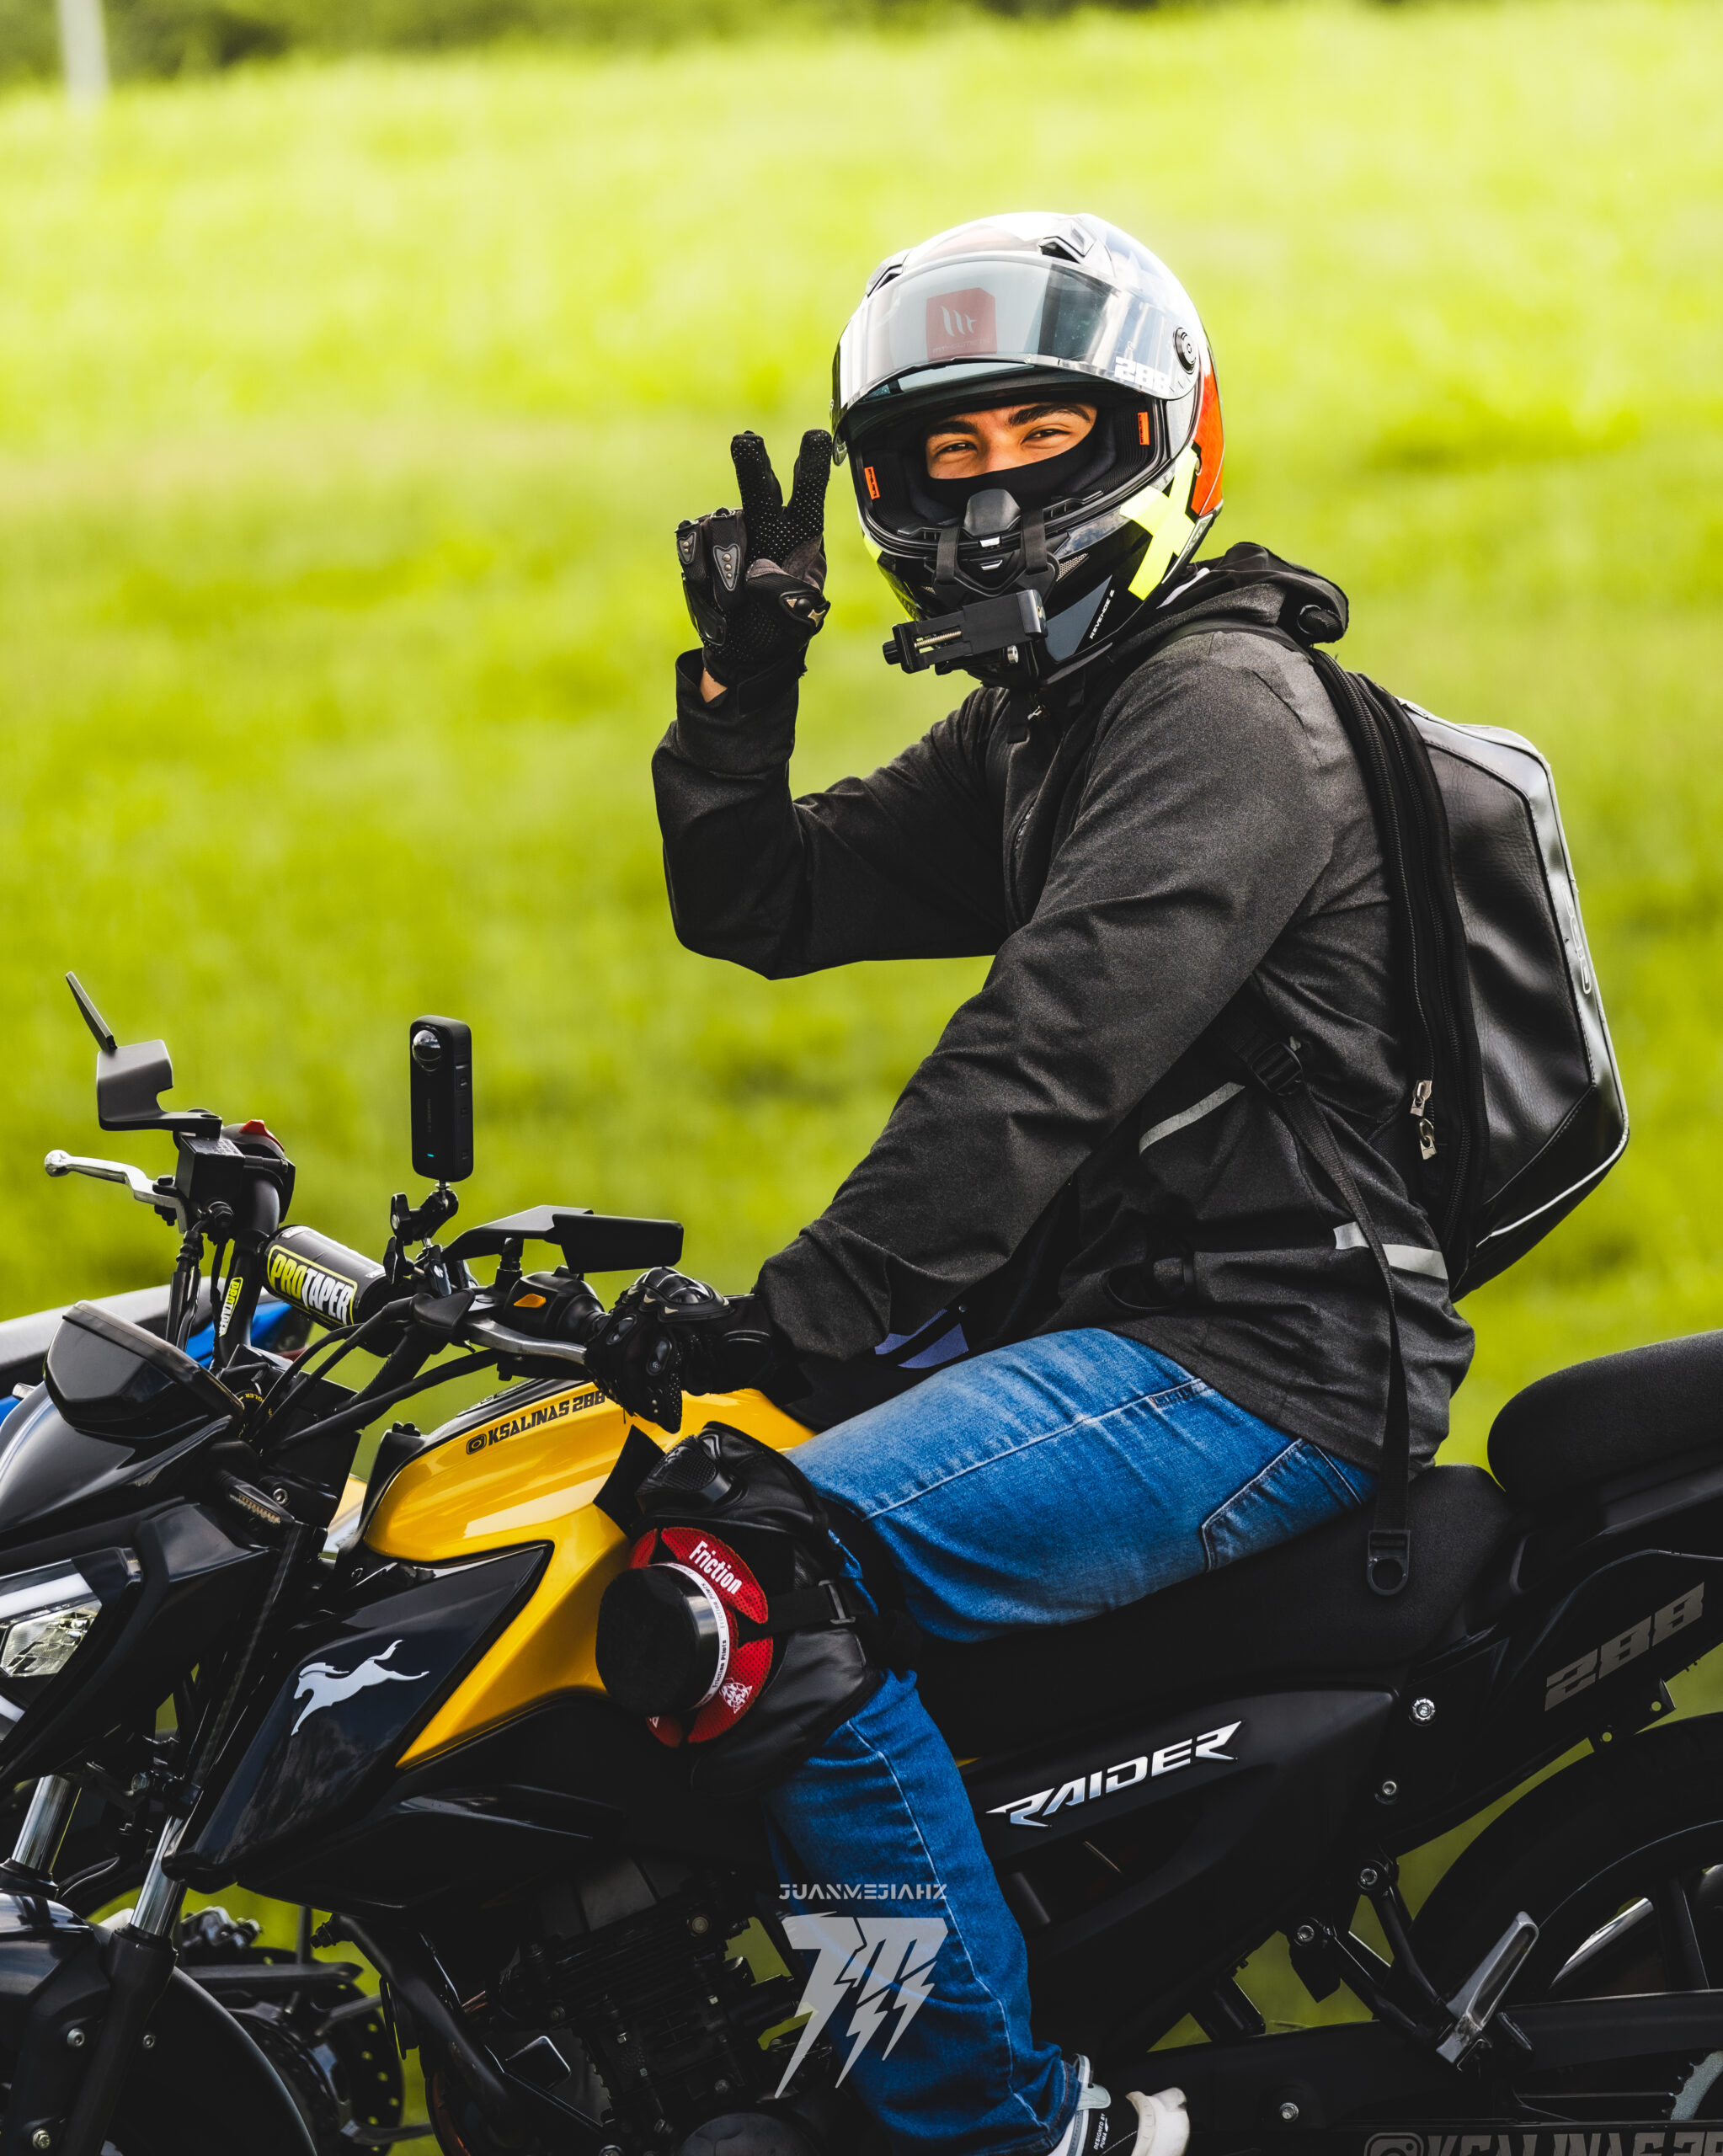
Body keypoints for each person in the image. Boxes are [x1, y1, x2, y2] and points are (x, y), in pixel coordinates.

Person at [586, 212, 1474, 2156]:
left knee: (754, 1566)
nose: (988, 505)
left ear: (1157, 433)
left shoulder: (1219, 711)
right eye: (944, 455)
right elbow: (770, 899)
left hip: (1261, 1358)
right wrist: (742, 683)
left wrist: (799, 1318)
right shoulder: (1050, 717)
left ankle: (1002, 2124)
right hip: (1125, 1325)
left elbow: (1043, 1062)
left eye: (1039, 440)